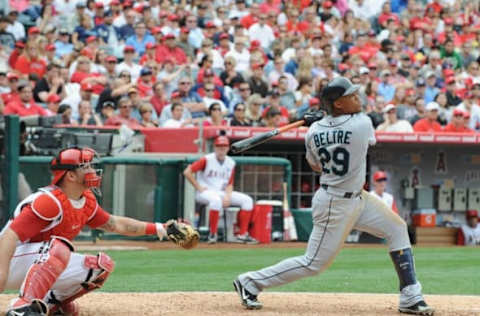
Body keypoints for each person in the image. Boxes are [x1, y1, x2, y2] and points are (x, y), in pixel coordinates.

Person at [233, 77, 434, 316]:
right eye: (351, 96)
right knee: (313, 263)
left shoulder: (313, 132)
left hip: (357, 197)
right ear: (338, 104)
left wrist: (320, 121)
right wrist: (325, 118)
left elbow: (316, 166)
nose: (358, 98)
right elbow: (357, 127)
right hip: (335, 203)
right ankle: (250, 282)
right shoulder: (362, 124)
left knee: (397, 229)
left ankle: (410, 296)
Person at [0, 147, 192, 315]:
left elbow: (116, 224)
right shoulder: (49, 201)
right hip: (7, 259)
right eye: (85, 166)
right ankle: (22, 306)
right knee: (58, 248)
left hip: (31, 261)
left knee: (99, 265)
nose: (92, 170)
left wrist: (162, 229)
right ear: (71, 175)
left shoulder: (85, 200)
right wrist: (1, 272)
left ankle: (50, 304)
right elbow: (9, 236)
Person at [183, 136, 258, 245]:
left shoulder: (230, 162)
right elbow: (187, 172)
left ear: (228, 148)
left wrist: (228, 196)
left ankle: (242, 234)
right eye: (219, 146)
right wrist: (198, 187)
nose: (221, 149)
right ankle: (213, 234)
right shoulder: (207, 159)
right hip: (205, 192)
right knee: (216, 200)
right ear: (215, 147)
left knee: (247, 200)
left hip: (222, 192)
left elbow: (229, 184)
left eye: (224, 146)